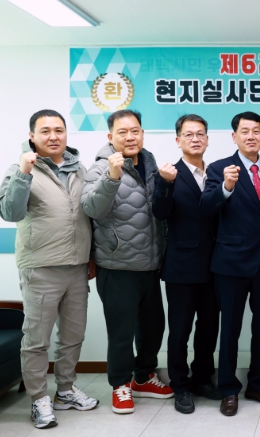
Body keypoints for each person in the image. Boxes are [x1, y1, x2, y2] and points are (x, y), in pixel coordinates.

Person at [0, 110, 98, 429]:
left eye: (59, 130)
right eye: (45, 131)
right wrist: (24, 173)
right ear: (32, 136)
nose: (53, 136)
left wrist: (91, 255)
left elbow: (88, 215)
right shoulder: (20, 168)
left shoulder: (79, 169)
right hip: (40, 267)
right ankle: (39, 398)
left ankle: (65, 391)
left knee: (72, 335)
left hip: (77, 267)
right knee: (36, 339)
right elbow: (10, 212)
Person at [81, 109, 172, 414]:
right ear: (110, 137)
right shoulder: (100, 167)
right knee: (121, 333)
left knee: (153, 328)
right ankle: (120, 384)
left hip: (150, 264)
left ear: (142, 133)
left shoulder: (150, 163)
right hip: (117, 265)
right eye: (122, 132)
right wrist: (112, 176)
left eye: (135, 131)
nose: (130, 137)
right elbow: (92, 208)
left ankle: (143, 377)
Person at [201, 112, 260, 416]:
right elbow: (206, 207)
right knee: (231, 330)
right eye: (245, 131)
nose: (251, 136)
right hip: (231, 263)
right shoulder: (219, 168)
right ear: (234, 136)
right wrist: (225, 187)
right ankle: (228, 389)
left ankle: (258, 384)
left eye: (256, 131)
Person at [152, 114, 221, 414]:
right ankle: (180, 385)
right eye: (189, 134)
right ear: (178, 140)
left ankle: (203, 378)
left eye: (200, 134)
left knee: (209, 327)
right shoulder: (169, 173)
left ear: (207, 139)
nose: (195, 139)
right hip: (182, 265)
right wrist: (164, 184)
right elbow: (160, 212)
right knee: (180, 330)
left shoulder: (217, 172)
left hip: (216, 264)